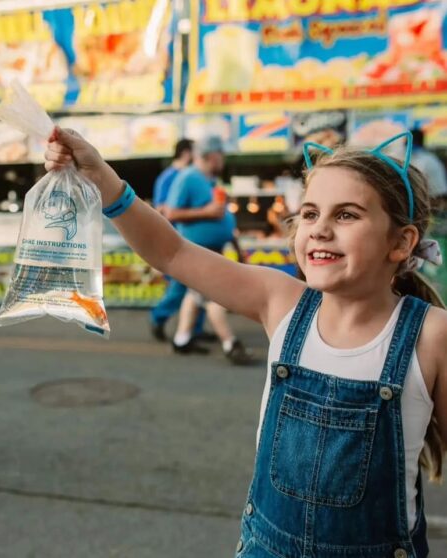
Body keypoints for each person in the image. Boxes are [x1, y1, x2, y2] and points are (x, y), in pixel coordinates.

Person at [45, 127, 446, 557]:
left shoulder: (431, 335)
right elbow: (171, 252)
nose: (320, 230)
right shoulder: (282, 302)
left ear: (401, 242)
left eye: (346, 215)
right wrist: (101, 176)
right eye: (309, 214)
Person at [164, 136, 252, 364]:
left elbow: (222, 216)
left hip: (213, 250)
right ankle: (230, 343)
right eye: (221, 155)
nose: (223, 160)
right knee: (214, 296)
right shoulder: (187, 178)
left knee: (195, 296)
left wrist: (235, 245)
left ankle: (182, 339)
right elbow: (171, 213)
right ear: (211, 156)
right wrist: (208, 212)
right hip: (196, 251)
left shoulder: (211, 181)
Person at [149, 137, 207, 342]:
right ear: (186, 153)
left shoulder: (193, 175)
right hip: (174, 242)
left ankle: (194, 329)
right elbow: (161, 210)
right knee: (180, 285)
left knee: (200, 286)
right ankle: (158, 317)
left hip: (191, 240)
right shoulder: (169, 177)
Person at [410, 128, 447, 206]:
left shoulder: (423, 159)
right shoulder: (425, 157)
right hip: (432, 198)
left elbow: (416, 182)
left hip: (434, 200)